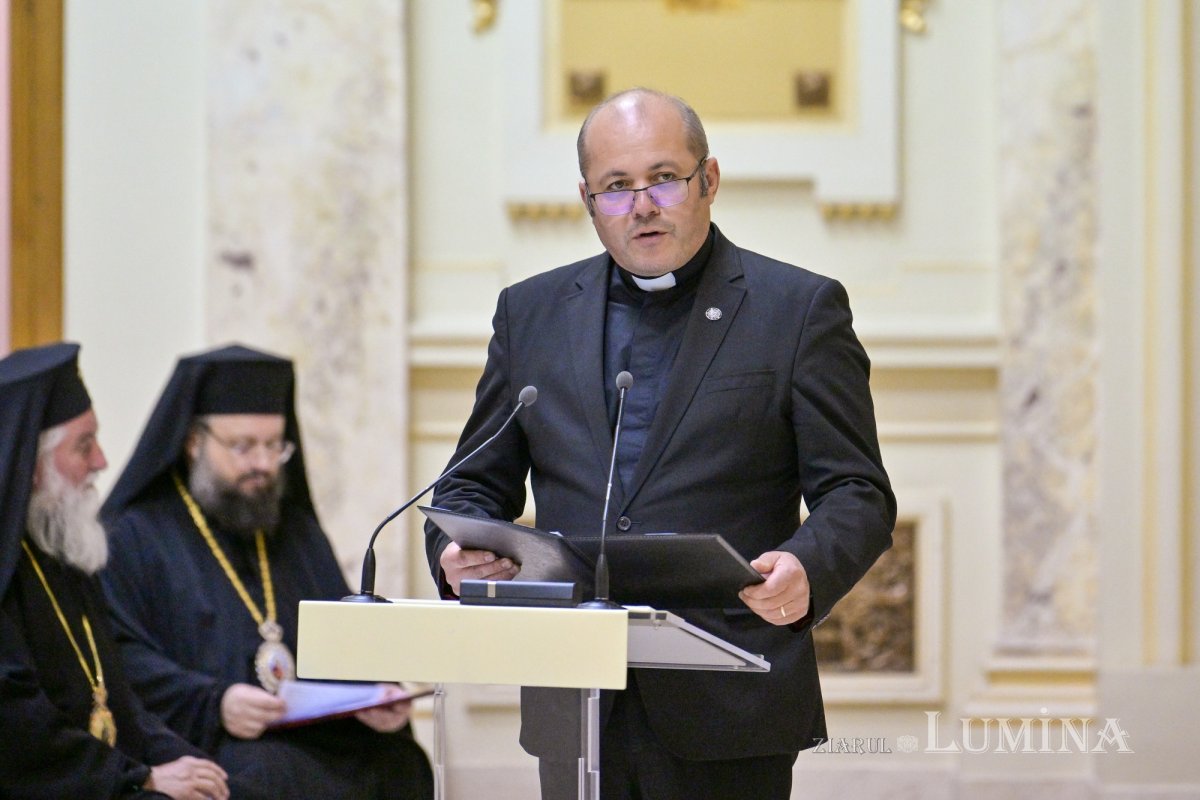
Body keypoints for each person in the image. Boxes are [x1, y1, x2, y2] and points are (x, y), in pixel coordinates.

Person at [424, 87, 897, 799]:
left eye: (663, 178)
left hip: (730, 690)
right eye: (616, 187)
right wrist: (455, 553)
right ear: (587, 200)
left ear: (708, 180)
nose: (641, 204)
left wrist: (807, 566)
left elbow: (857, 492)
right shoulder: (532, 314)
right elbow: (470, 483)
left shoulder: (796, 310)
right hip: (575, 691)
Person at [99, 344, 433, 800]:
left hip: (306, 734)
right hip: (203, 735)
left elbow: (342, 634)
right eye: (242, 446)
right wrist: (215, 703)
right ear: (194, 441)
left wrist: (373, 694)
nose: (261, 463)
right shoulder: (134, 534)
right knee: (268, 775)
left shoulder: (290, 527)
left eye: (274, 445)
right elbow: (118, 655)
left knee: (400, 763)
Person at [0, 342, 231, 800]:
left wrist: (179, 757)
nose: (102, 461)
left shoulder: (61, 550)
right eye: (83, 446)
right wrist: (137, 776)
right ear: (30, 466)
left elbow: (116, 698)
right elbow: (18, 731)